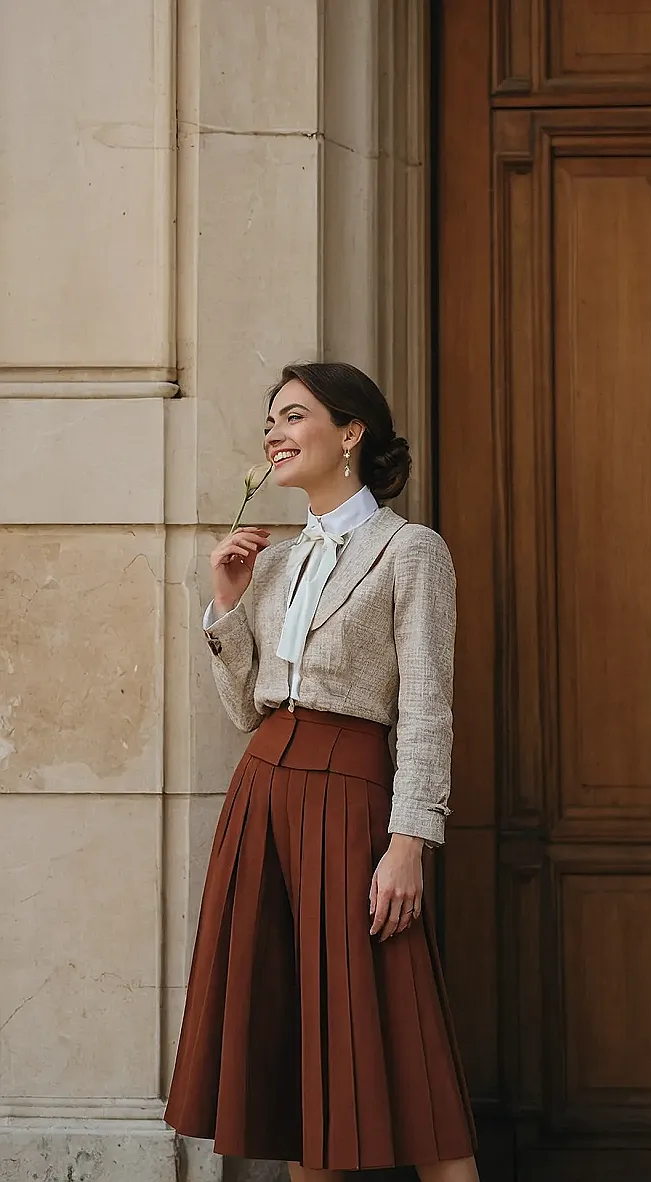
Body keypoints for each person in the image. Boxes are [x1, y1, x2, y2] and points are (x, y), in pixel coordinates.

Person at [164, 362, 479, 1182]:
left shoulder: (411, 551)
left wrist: (409, 840)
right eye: (270, 418)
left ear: (350, 433)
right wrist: (228, 606)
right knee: (301, 1053)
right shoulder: (270, 563)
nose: (274, 431)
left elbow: (428, 708)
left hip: (351, 801)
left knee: (401, 1042)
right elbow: (245, 711)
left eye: (294, 415)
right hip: (264, 796)